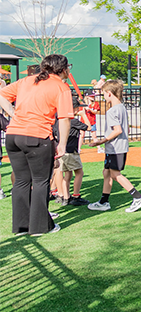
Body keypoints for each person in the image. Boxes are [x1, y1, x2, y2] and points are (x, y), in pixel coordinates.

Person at [0, 54, 73, 236]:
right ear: (62, 69)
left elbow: (1, 94)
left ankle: (21, 227)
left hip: (13, 135)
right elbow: (64, 119)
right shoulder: (61, 87)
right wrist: (62, 144)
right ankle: (40, 227)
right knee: (41, 182)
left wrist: (12, 113)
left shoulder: (27, 80)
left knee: (22, 181)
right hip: (37, 136)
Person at [88, 80, 141, 213]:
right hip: (116, 147)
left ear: (109, 93)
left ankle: (137, 197)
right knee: (107, 173)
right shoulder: (121, 107)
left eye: (103, 93)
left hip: (116, 148)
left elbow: (117, 130)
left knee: (115, 174)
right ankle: (104, 201)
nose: (103, 96)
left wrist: (101, 141)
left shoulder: (112, 111)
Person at [52, 96, 90, 206]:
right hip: (70, 151)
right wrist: (83, 115)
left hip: (62, 151)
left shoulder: (60, 120)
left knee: (67, 175)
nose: (78, 110)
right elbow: (88, 127)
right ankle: (76, 196)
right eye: (77, 108)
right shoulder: (72, 120)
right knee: (79, 172)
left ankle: (65, 197)